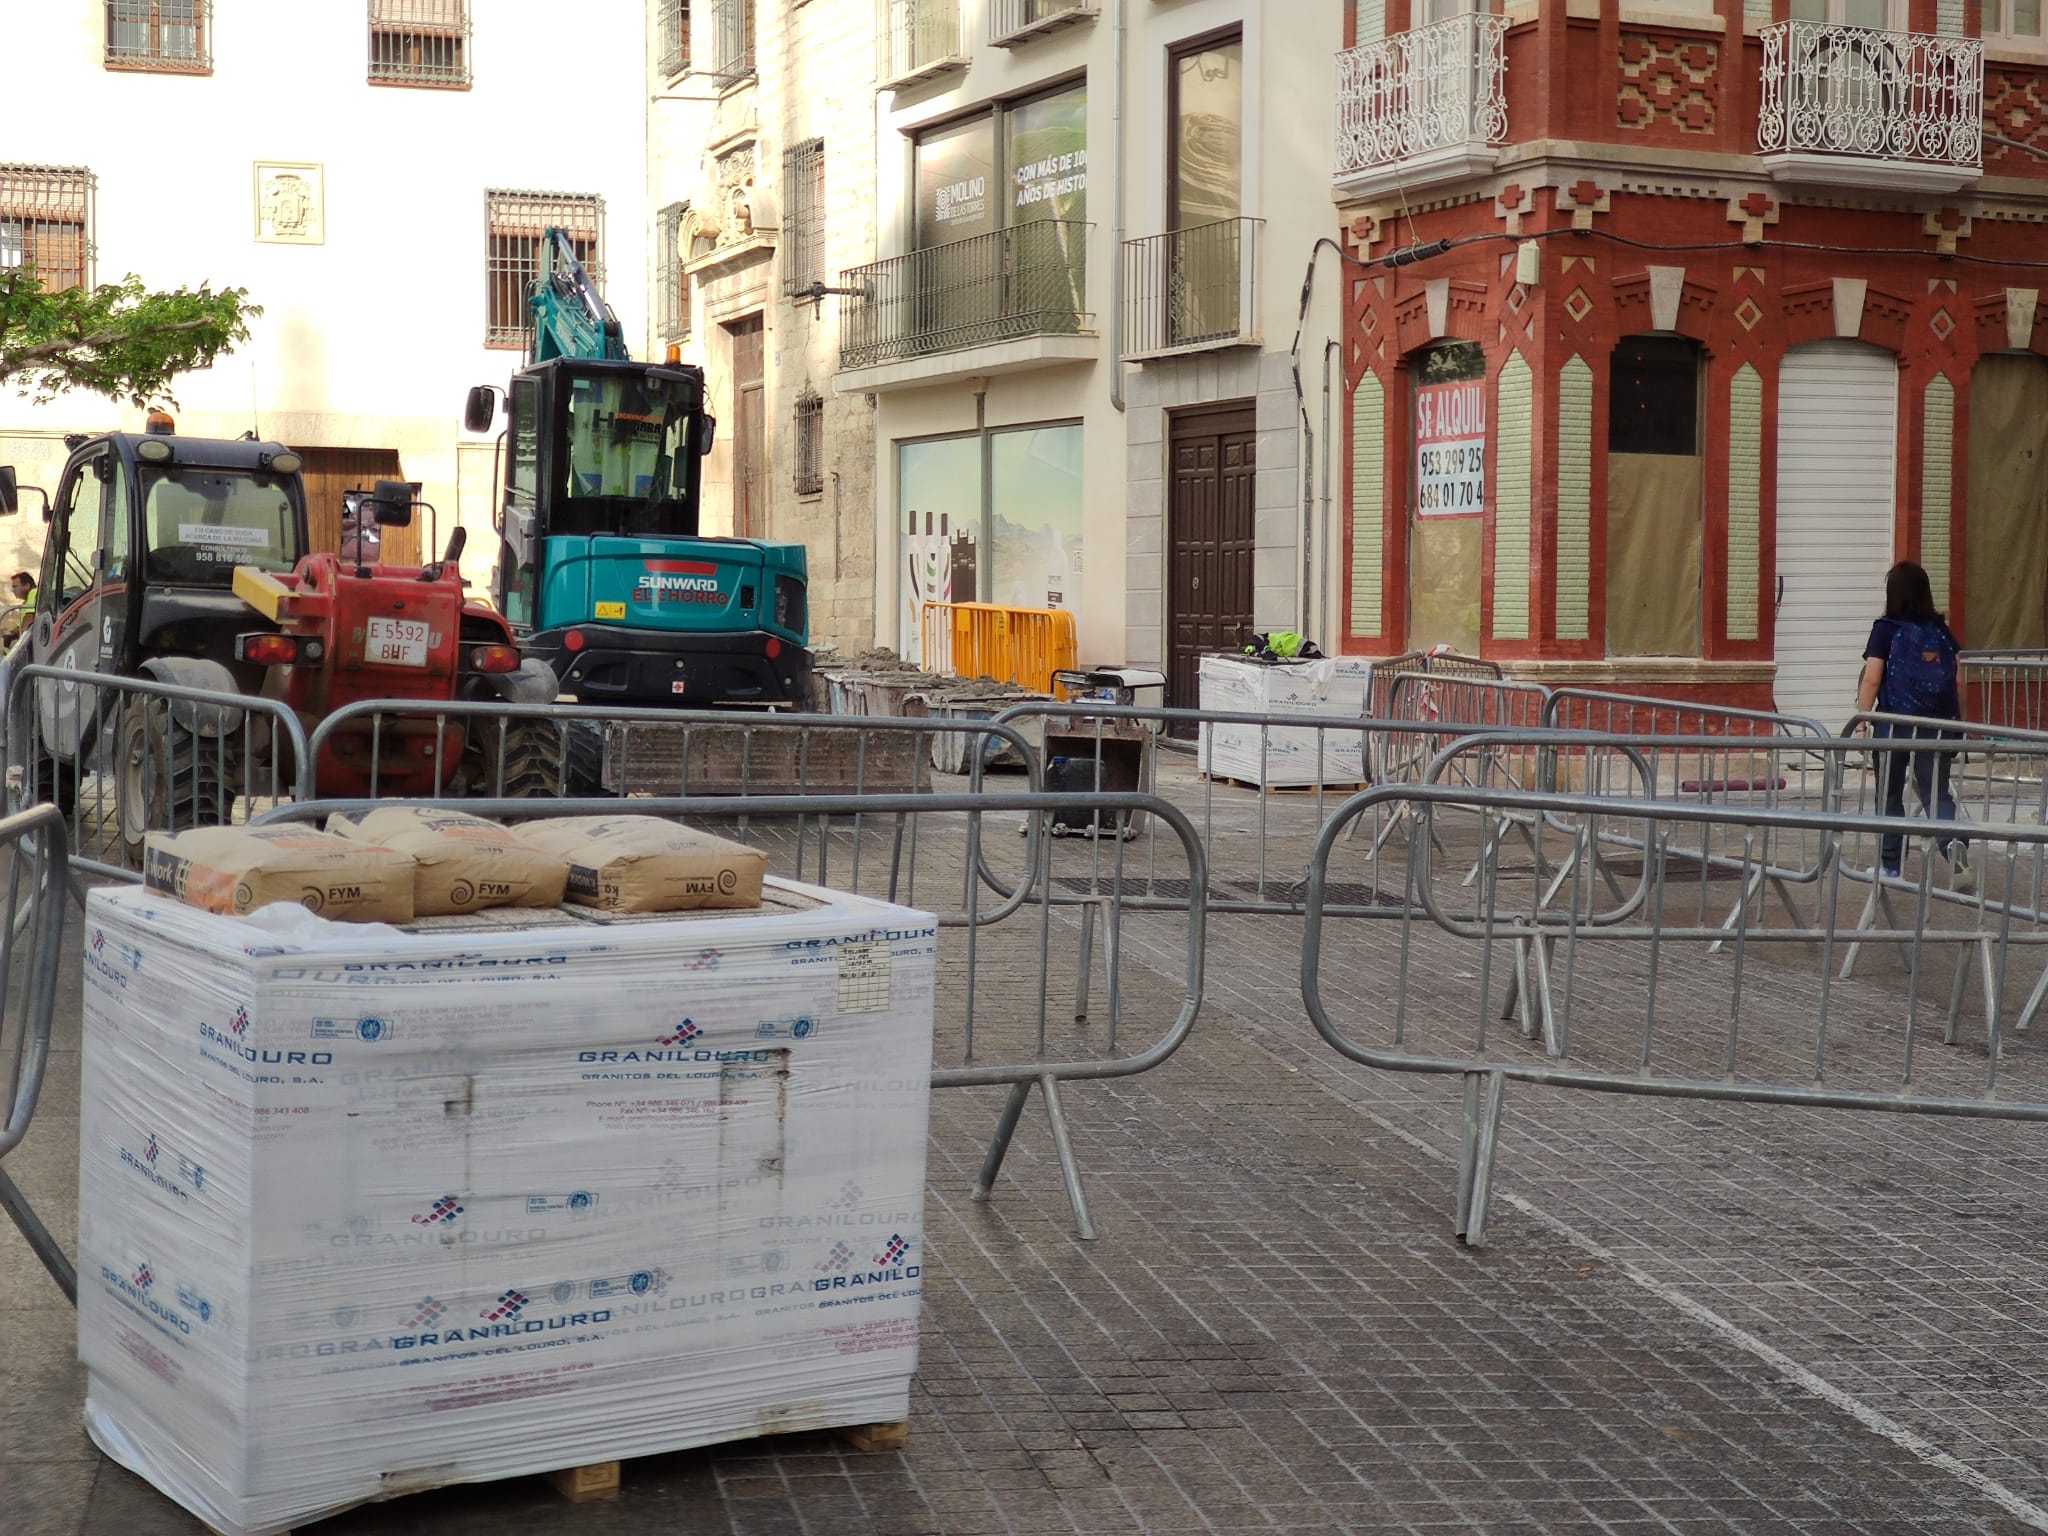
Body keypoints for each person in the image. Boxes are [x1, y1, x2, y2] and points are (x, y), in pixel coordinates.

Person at [1855, 559, 1973, 892]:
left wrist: (1863, 719)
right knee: (1937, 792)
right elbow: (1960, 680)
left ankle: (1891, 866)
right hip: (1936, 725)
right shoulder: (1941, 630)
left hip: (1894, 724)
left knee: (1890, 794)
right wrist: (1958, 722)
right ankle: (1953, 845)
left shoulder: (1886, 628)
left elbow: (1873, 678)